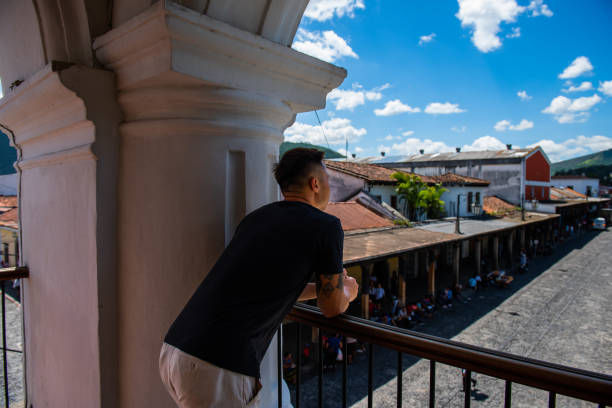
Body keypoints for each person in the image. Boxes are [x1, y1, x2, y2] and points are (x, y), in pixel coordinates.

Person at [159, 148, 359, 407]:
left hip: (176, 350)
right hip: (219, 365)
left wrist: (322, 288)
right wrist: (347, 291)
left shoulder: (256, 218)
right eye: (329, 182)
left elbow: (274, 286)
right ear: (315, 184)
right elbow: (331, 308)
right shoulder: (326, 226)